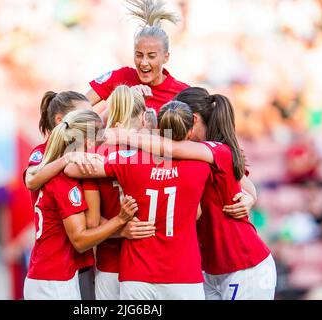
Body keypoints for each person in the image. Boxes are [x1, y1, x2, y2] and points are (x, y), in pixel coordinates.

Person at [105, 87, 277, 299]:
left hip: (243, 264)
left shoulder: (215, 150)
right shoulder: (190, 155)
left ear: (193, 120)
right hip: (208, 269)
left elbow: (248, 186)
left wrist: (122, 135)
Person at [65, 101, 212, 300]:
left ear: (159, 128)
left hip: (137, 272)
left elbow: (71, 169)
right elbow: (198, 213)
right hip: (183, 274)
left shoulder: (132, 160)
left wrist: (88, 150)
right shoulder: (202, 165)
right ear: (191, 130)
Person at [24, 109, 138, 300]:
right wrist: (120, 221)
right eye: (99, 139)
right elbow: (80, 241)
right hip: (54, 279)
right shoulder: (64, 182)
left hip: (48, 273)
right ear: (89, 143)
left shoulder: (53, 170)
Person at [83, 85, 156, 300]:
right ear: (143, 117)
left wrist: (119, 230)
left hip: (110, 261)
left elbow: (91, 221)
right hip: (149, 260)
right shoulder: (156, 151)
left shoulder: (94, 155)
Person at [86, 0, 189, 115]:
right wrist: (124, 100)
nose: (144, 62)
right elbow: (81, 104)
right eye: (139, 55)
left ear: (166, 57)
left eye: (151, 56)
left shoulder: (182, 93)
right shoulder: (121, 77)